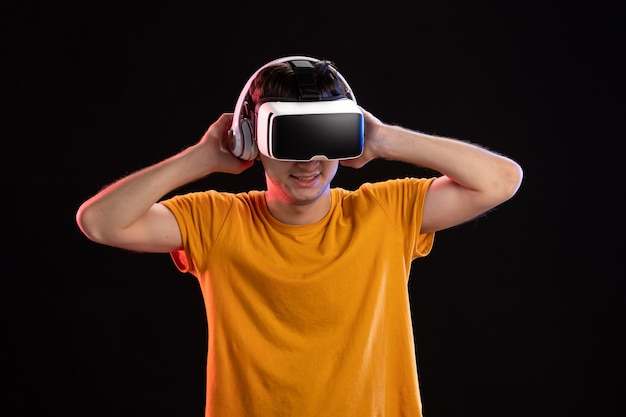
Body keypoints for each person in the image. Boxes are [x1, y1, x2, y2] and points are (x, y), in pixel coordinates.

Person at [76, 56, 523, 417]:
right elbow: (100, 222)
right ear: (253, 141)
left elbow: (501, 180)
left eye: (325, 135)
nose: (309, 161)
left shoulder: (385, 213)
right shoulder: (215, 221)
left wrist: (385, 139)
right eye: (290, 138)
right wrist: (201, 157)